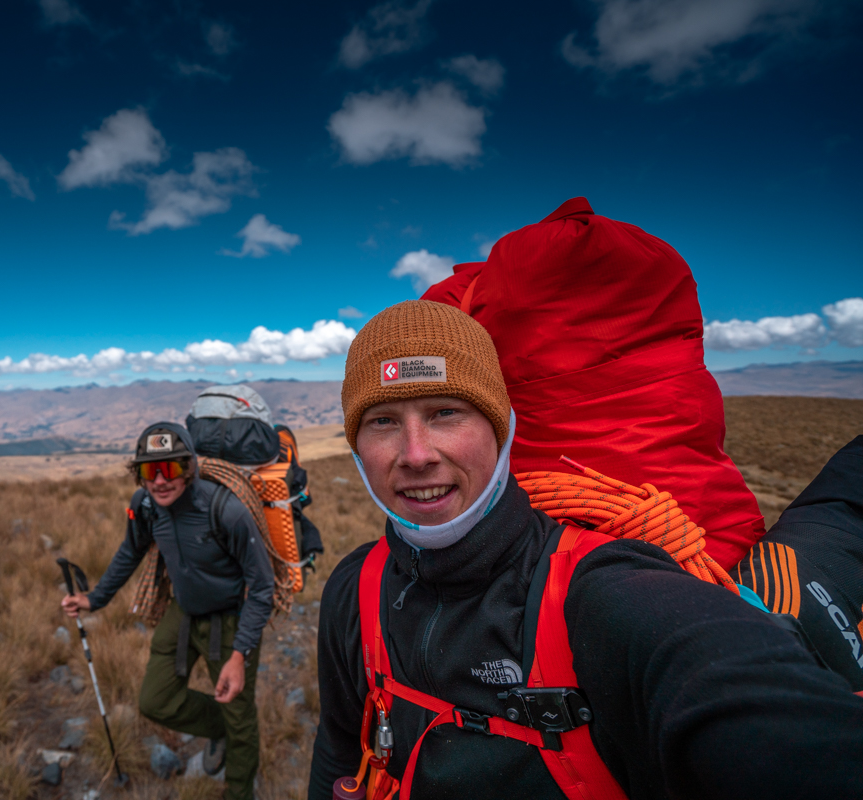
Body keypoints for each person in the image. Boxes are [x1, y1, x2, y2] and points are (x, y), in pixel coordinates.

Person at [308, 300, 863, 800]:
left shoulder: (599, 587)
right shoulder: (355, 587)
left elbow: (733, 686)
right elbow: (338, 749)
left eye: (445, 413)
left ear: (501, 429)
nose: (415, 453)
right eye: (382, 421)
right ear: (355, 446)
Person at [62, 421, 273, 800]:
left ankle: (239, 791)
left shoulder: (225, 511)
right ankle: (222, 728)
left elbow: (261, 587)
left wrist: (239, 654)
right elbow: (131, 551)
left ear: (189, 467)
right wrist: (95, 599)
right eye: (149, 471)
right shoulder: (144, 507)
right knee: (155, 701)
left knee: (239, 712)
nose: (160, 481)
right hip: (184, 612)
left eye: (170, 468)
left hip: (230, 620)